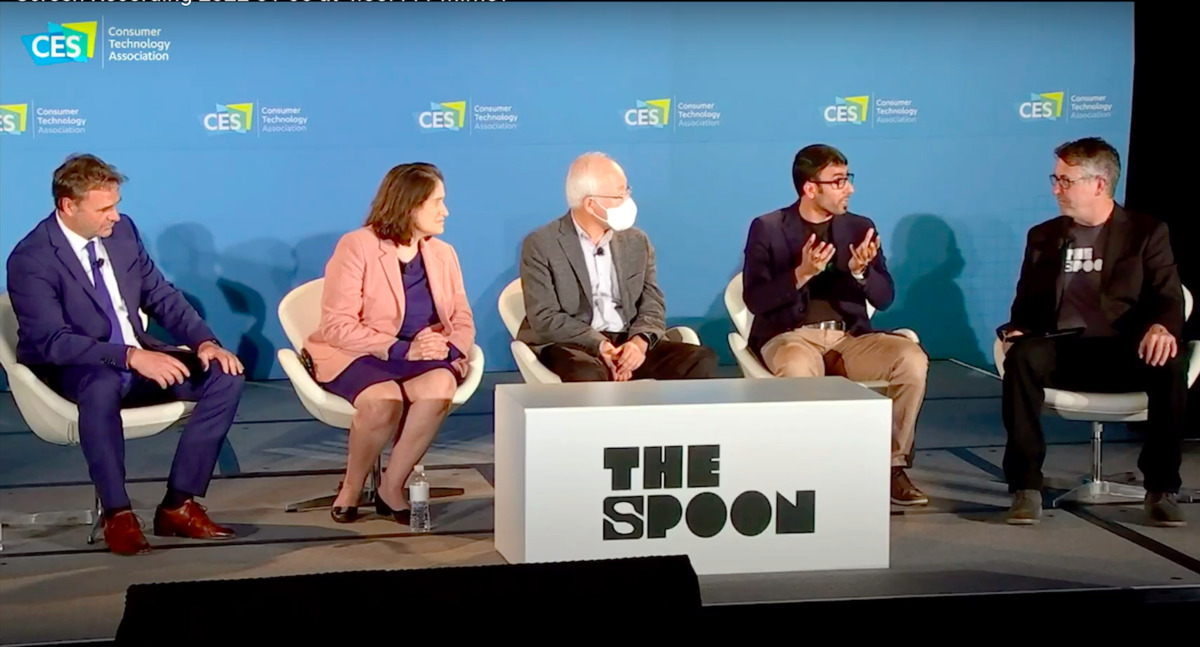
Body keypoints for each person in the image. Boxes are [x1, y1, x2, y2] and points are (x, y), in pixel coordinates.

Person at [6, 154, 246, 556]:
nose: (115, 216)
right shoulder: (31, 258)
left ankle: (178, 505)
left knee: (225, 374)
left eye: (116, 205)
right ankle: (117, 513)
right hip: (76, 368)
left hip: (137, 357)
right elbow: (52, 341)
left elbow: (161, 296)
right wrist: (129, 357)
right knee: (100, 388)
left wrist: (205, 342)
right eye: (104, 208)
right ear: (68, 206)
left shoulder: (122, 233)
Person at [998, 137, 1187, 527]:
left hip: (1122, 350)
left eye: (1065, 181)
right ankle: (1026, 486)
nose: (1056, 189)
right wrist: (1017, 329)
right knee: (1021, 358)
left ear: (1099, 184)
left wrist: (1161, 327)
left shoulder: (1146, 232)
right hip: (1064, 349)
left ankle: (1162, 488)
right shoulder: (1043, 236)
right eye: (1056, 178)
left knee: (1170, 363)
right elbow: (1026, 306)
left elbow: (1168, 295)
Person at [741, 144, 930, 506]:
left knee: (911, 359)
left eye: (848, 179)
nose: (850, 189)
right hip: (789, 336)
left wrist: (860, 272)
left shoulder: (861, 227)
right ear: (810, 188)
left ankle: (890, 466)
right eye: (839, 181)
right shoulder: (767, 228)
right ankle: (815, 471)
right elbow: (756, 300)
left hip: (851, 337)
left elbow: (885, 297)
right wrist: (801, 273)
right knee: (797, 369)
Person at [305, 162, 473, 525]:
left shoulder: (443, 254)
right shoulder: (357, 246)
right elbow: (337, 326)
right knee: (383, 401)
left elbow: (462, 318)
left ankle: (391, 487)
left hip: (422, 355)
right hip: (360, 353)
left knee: (439, 386)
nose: (446, 211)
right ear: (410, 206)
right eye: (437, 202)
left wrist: (452, 350)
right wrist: (400, 349)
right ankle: (351, 487)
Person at [517, 152, 718, 382]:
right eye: (618, 196)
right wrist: (600, 345)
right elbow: (544, 316)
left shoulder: (637, 241)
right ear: (591, 205)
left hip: (629, 340)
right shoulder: (542, 244)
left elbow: (652, 302)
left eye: (627, 192)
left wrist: (638, 344)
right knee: (587, 373)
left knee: (700, 359)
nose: (627, 201)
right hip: (574, 344)